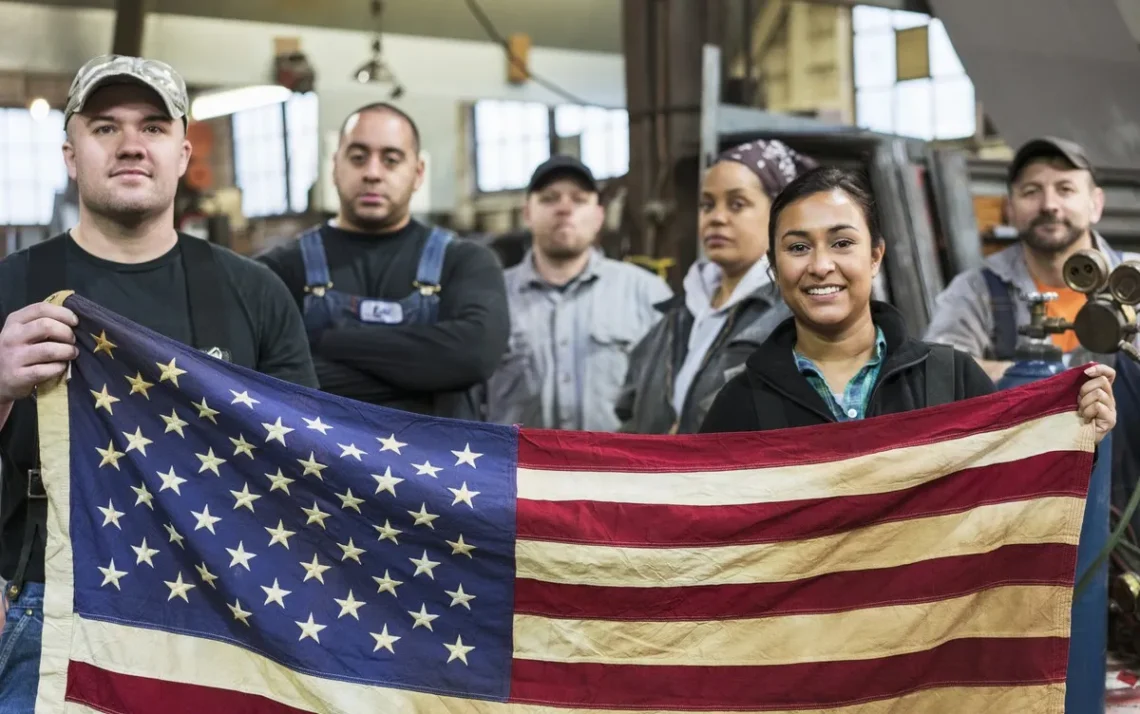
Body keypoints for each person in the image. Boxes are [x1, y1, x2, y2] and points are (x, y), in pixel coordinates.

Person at [0, 54, 317, 708]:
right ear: (69, 154)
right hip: (42, 597)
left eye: (152, 126)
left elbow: (302, 471)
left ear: (182, 152)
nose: (131, 145)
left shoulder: (254, 293)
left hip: (217, 600)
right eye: (105, 127)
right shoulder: (11, 287)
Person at [699, 166, 1116, 437]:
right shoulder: (739, 406)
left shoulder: (952, 381)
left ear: (876, 255)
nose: (821, 265)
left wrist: (1080, 438)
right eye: (798, 248)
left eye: (843, 243)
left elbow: (1015, 497)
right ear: (773, 266)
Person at [258, 103, 509, 419]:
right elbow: (266, 378)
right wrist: (429, 377)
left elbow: (472, 356)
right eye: (358, 158)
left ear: (418, 173)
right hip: (318, 465)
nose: (373, 173)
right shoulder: (277, 271)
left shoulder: (466, 262)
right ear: (335, 166)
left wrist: (327, 341)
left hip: (437, 466)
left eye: (391, 160)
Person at [616, 140, 815, 434]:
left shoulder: (793, 317)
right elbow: (631, 414)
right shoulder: (678, 317)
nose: (716, 218)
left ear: (781, 215)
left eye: (737, 204)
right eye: (707, 205)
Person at [925, 136, 1140, 381]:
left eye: (1065, 189)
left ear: (1096, 204)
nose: (1049, 205)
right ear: (1009, 210)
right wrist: (1023, 377)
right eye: (1031, 191)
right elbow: (937, 369)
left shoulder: (1133, 278)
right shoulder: (976, 289)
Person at [485, 156, 671, 431]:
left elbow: (671, 395)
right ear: (527, 213)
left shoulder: (647, 293)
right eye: (549, 198)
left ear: (599, 216)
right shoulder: (490, 297)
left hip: (616, 470)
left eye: (579, 199)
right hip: (518, 471)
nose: (564, 208)